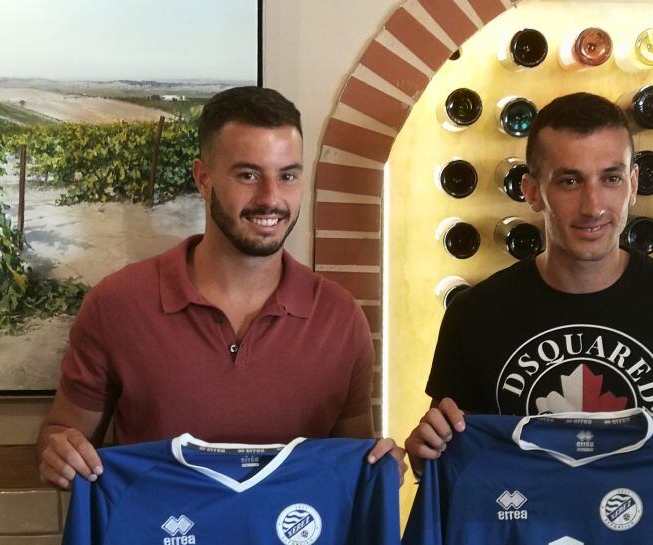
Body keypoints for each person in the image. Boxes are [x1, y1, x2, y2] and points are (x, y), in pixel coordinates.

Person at [38, 86, 400, 488]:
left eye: (288, 176)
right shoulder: (117, 304)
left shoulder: (340, 317)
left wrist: (383, 467)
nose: (271, 199)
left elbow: (352, 463)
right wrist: (59, 453)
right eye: (248, 175)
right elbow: (62, 435)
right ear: (203, 178)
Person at [406, 91, 653, 470]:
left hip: (644, 524)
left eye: (611, 178)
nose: (593, 206)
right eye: (570, 181)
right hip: (521, 524)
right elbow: (447, 451)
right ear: (532, 191)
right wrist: (427, 453)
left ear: (633, 184)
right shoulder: (473, 314)